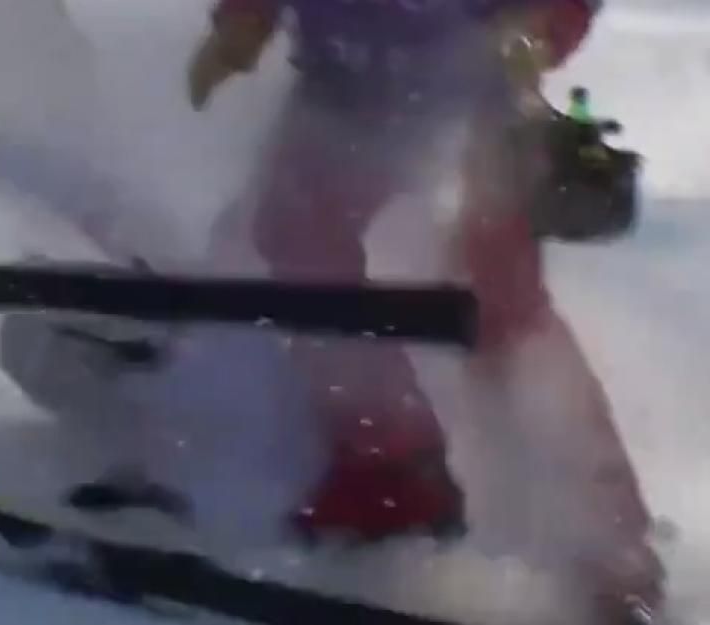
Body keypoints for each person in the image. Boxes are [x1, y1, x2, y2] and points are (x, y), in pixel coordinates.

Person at [186, 0, 662, 621]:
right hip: (339, 88)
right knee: (299, 239)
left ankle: (606, 538)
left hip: (474, 98)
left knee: (502, 302)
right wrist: (244, 19)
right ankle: (390, 460)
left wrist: (544, 25)